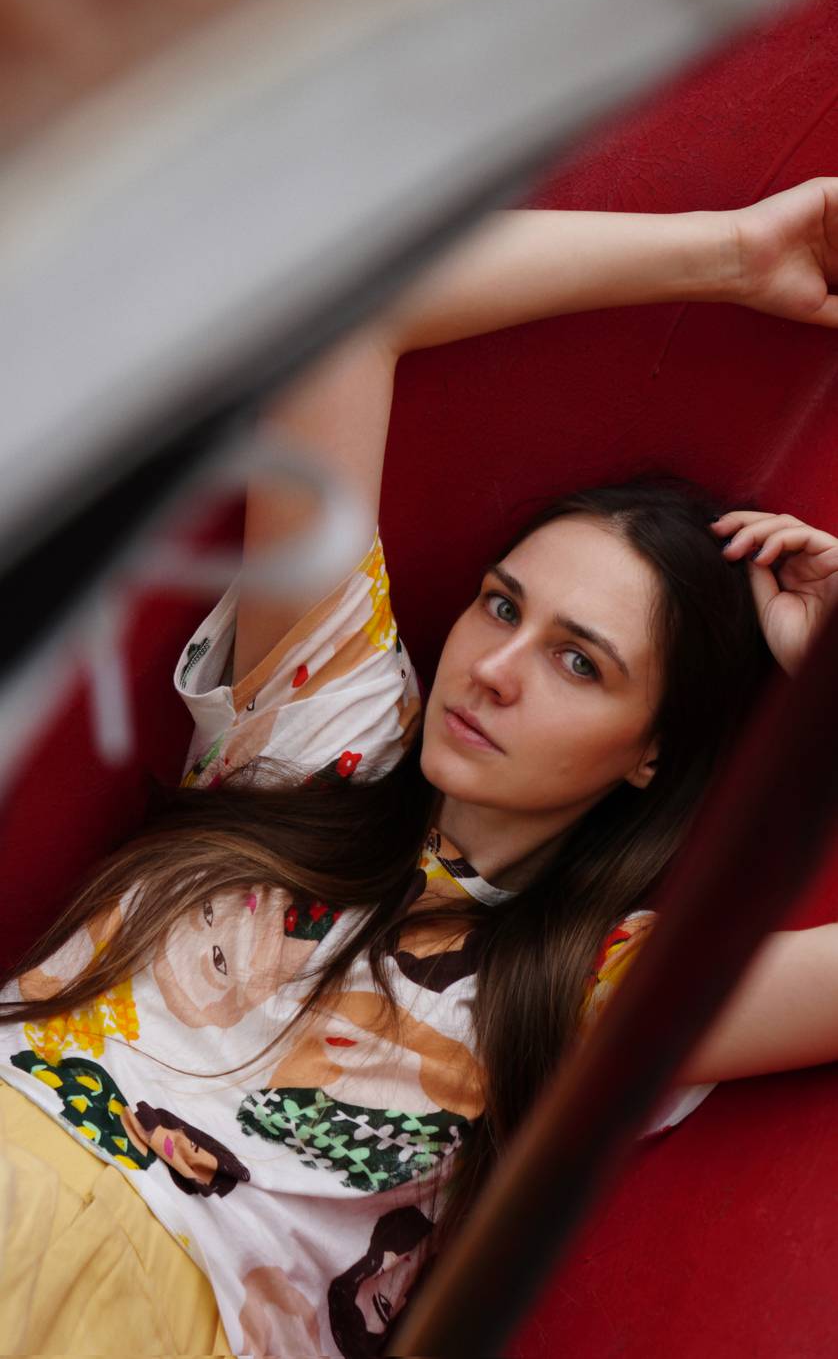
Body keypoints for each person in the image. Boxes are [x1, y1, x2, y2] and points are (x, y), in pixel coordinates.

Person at [1, 177, 837, 1358]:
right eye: (501, 605)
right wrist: (730, 255)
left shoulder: (589, 987)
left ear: (652, 752)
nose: (493, 669)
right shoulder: (318, 738)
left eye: (579, 663)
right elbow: (344, 305)